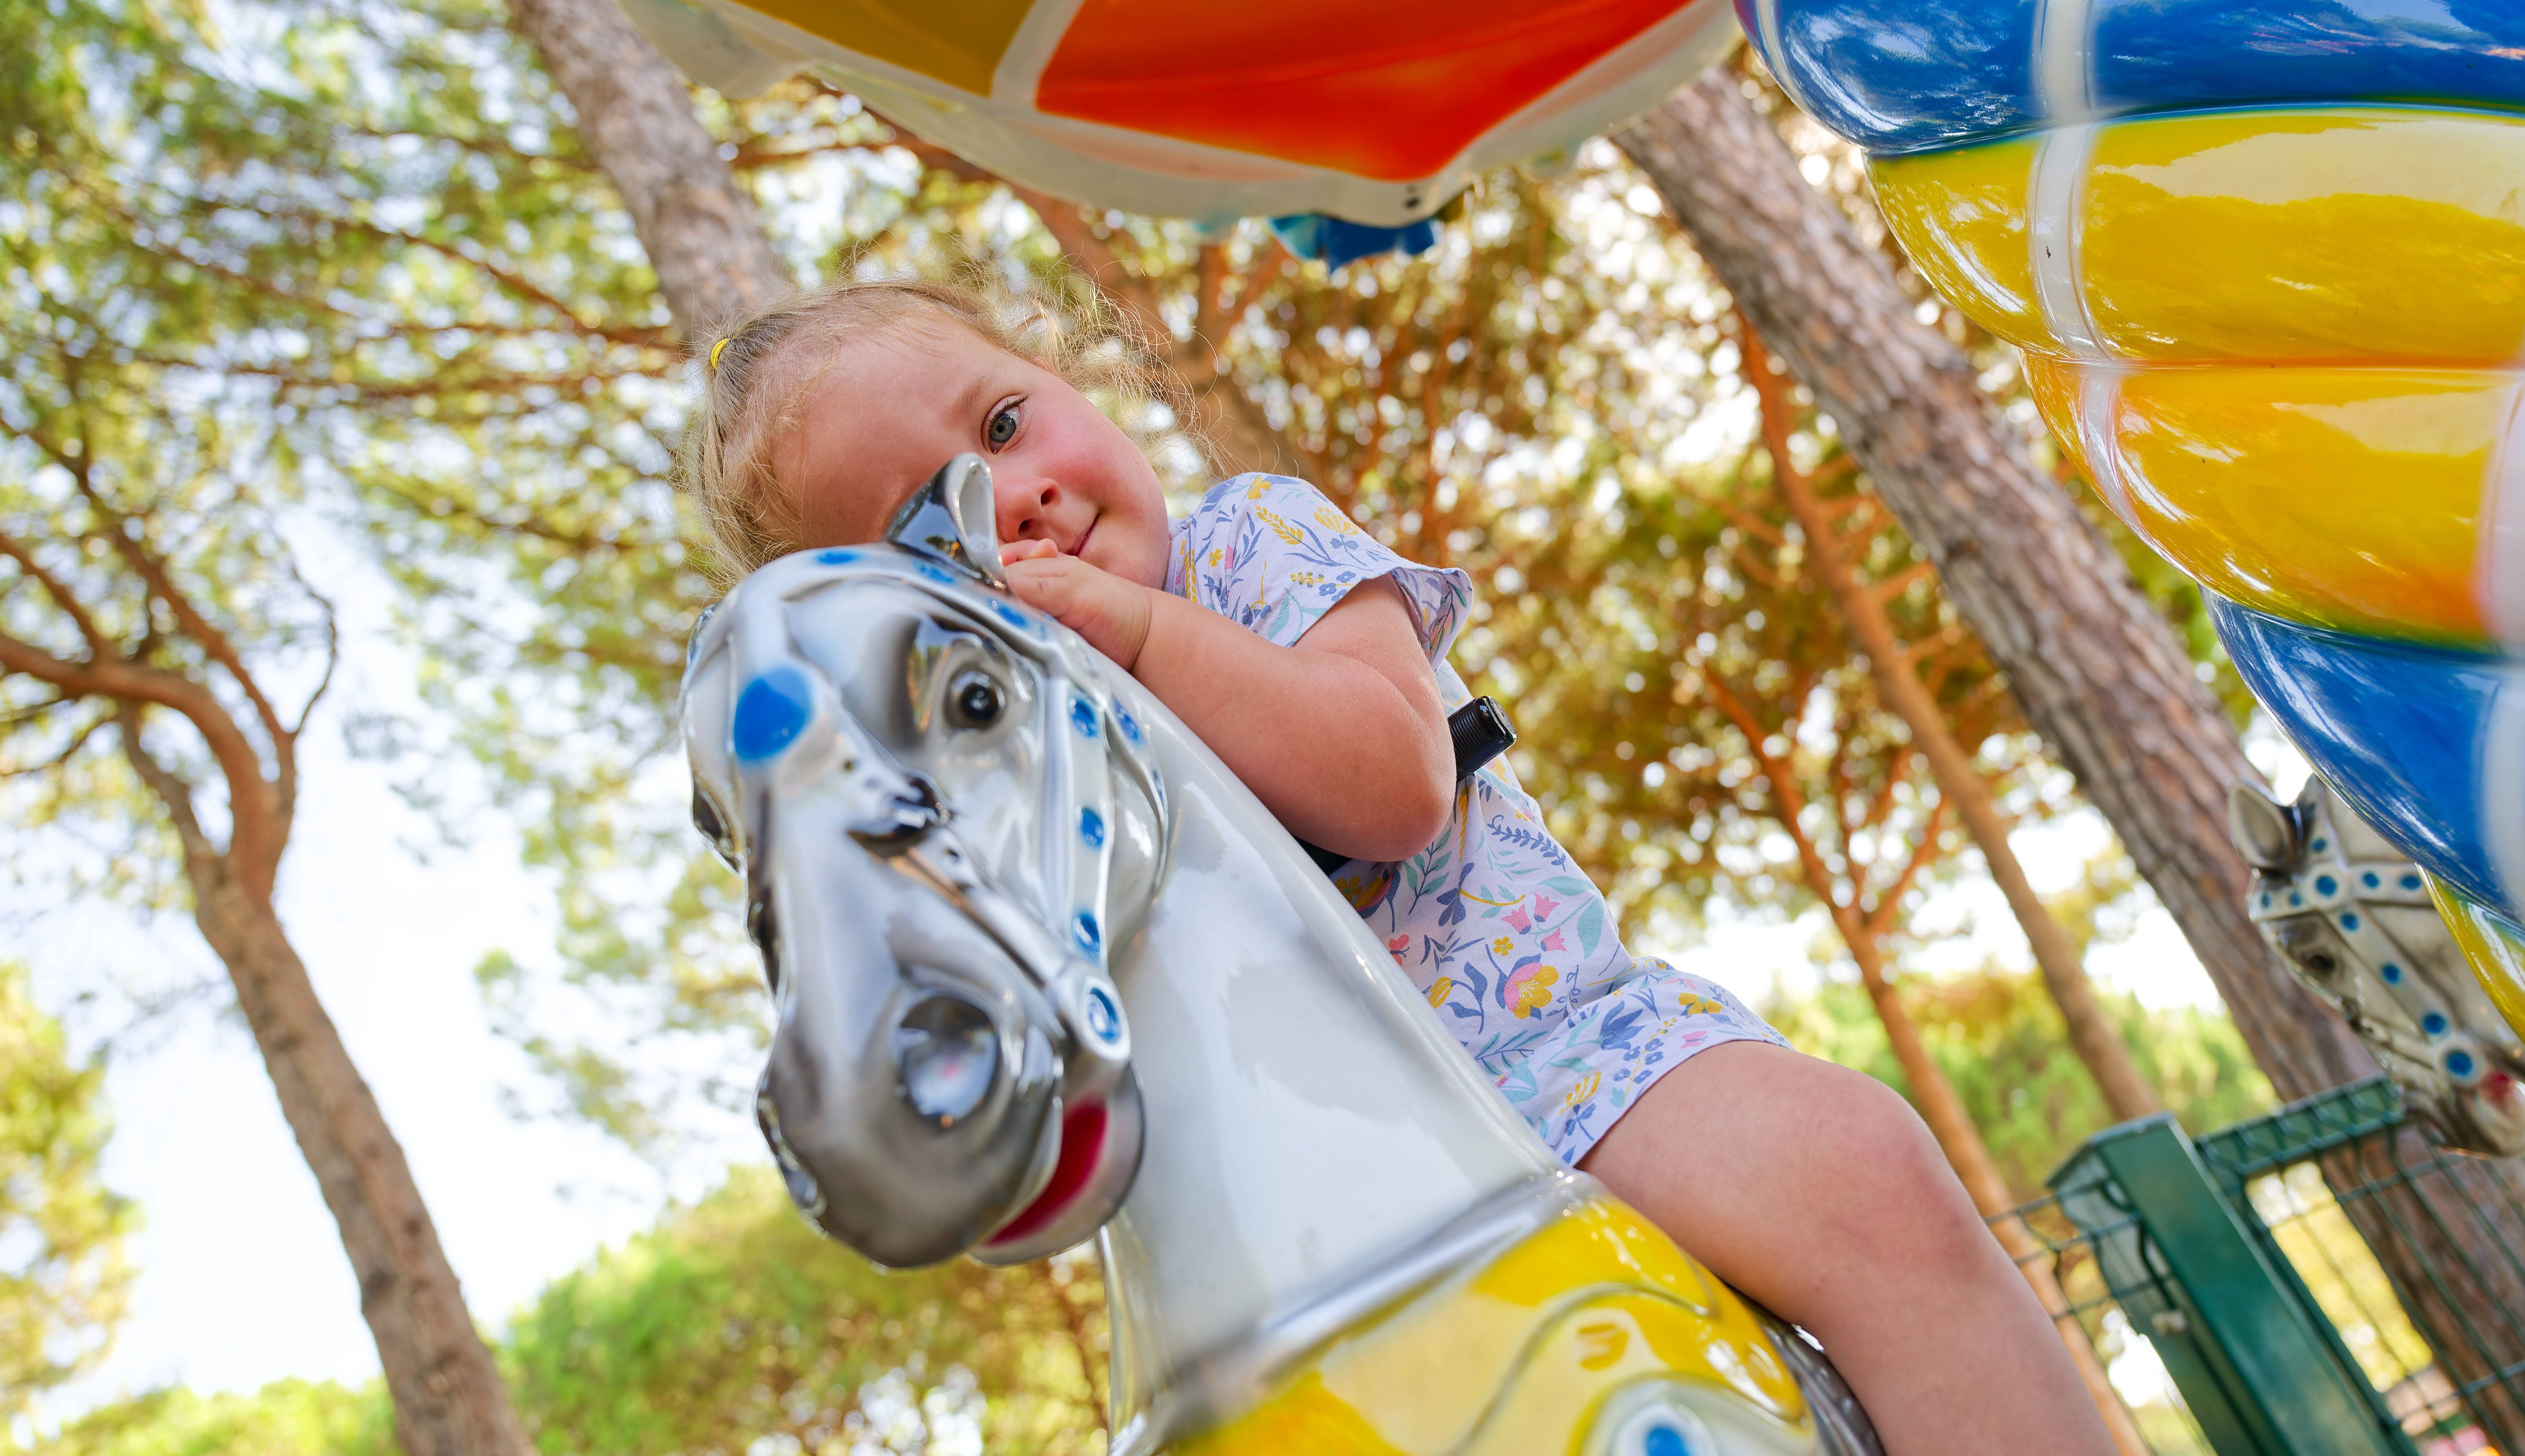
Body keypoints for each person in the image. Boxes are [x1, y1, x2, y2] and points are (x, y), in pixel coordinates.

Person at [685, 276, 2112, 1456]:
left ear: (1070, 376)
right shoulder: (1014, 779)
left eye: (1005, 422)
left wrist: (1139, 637)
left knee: (1857, 1166)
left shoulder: (1251, 545)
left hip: (1562, 1068)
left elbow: (1391, 782)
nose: (1020, 501)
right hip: (1280, 1208)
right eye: (936, 534)